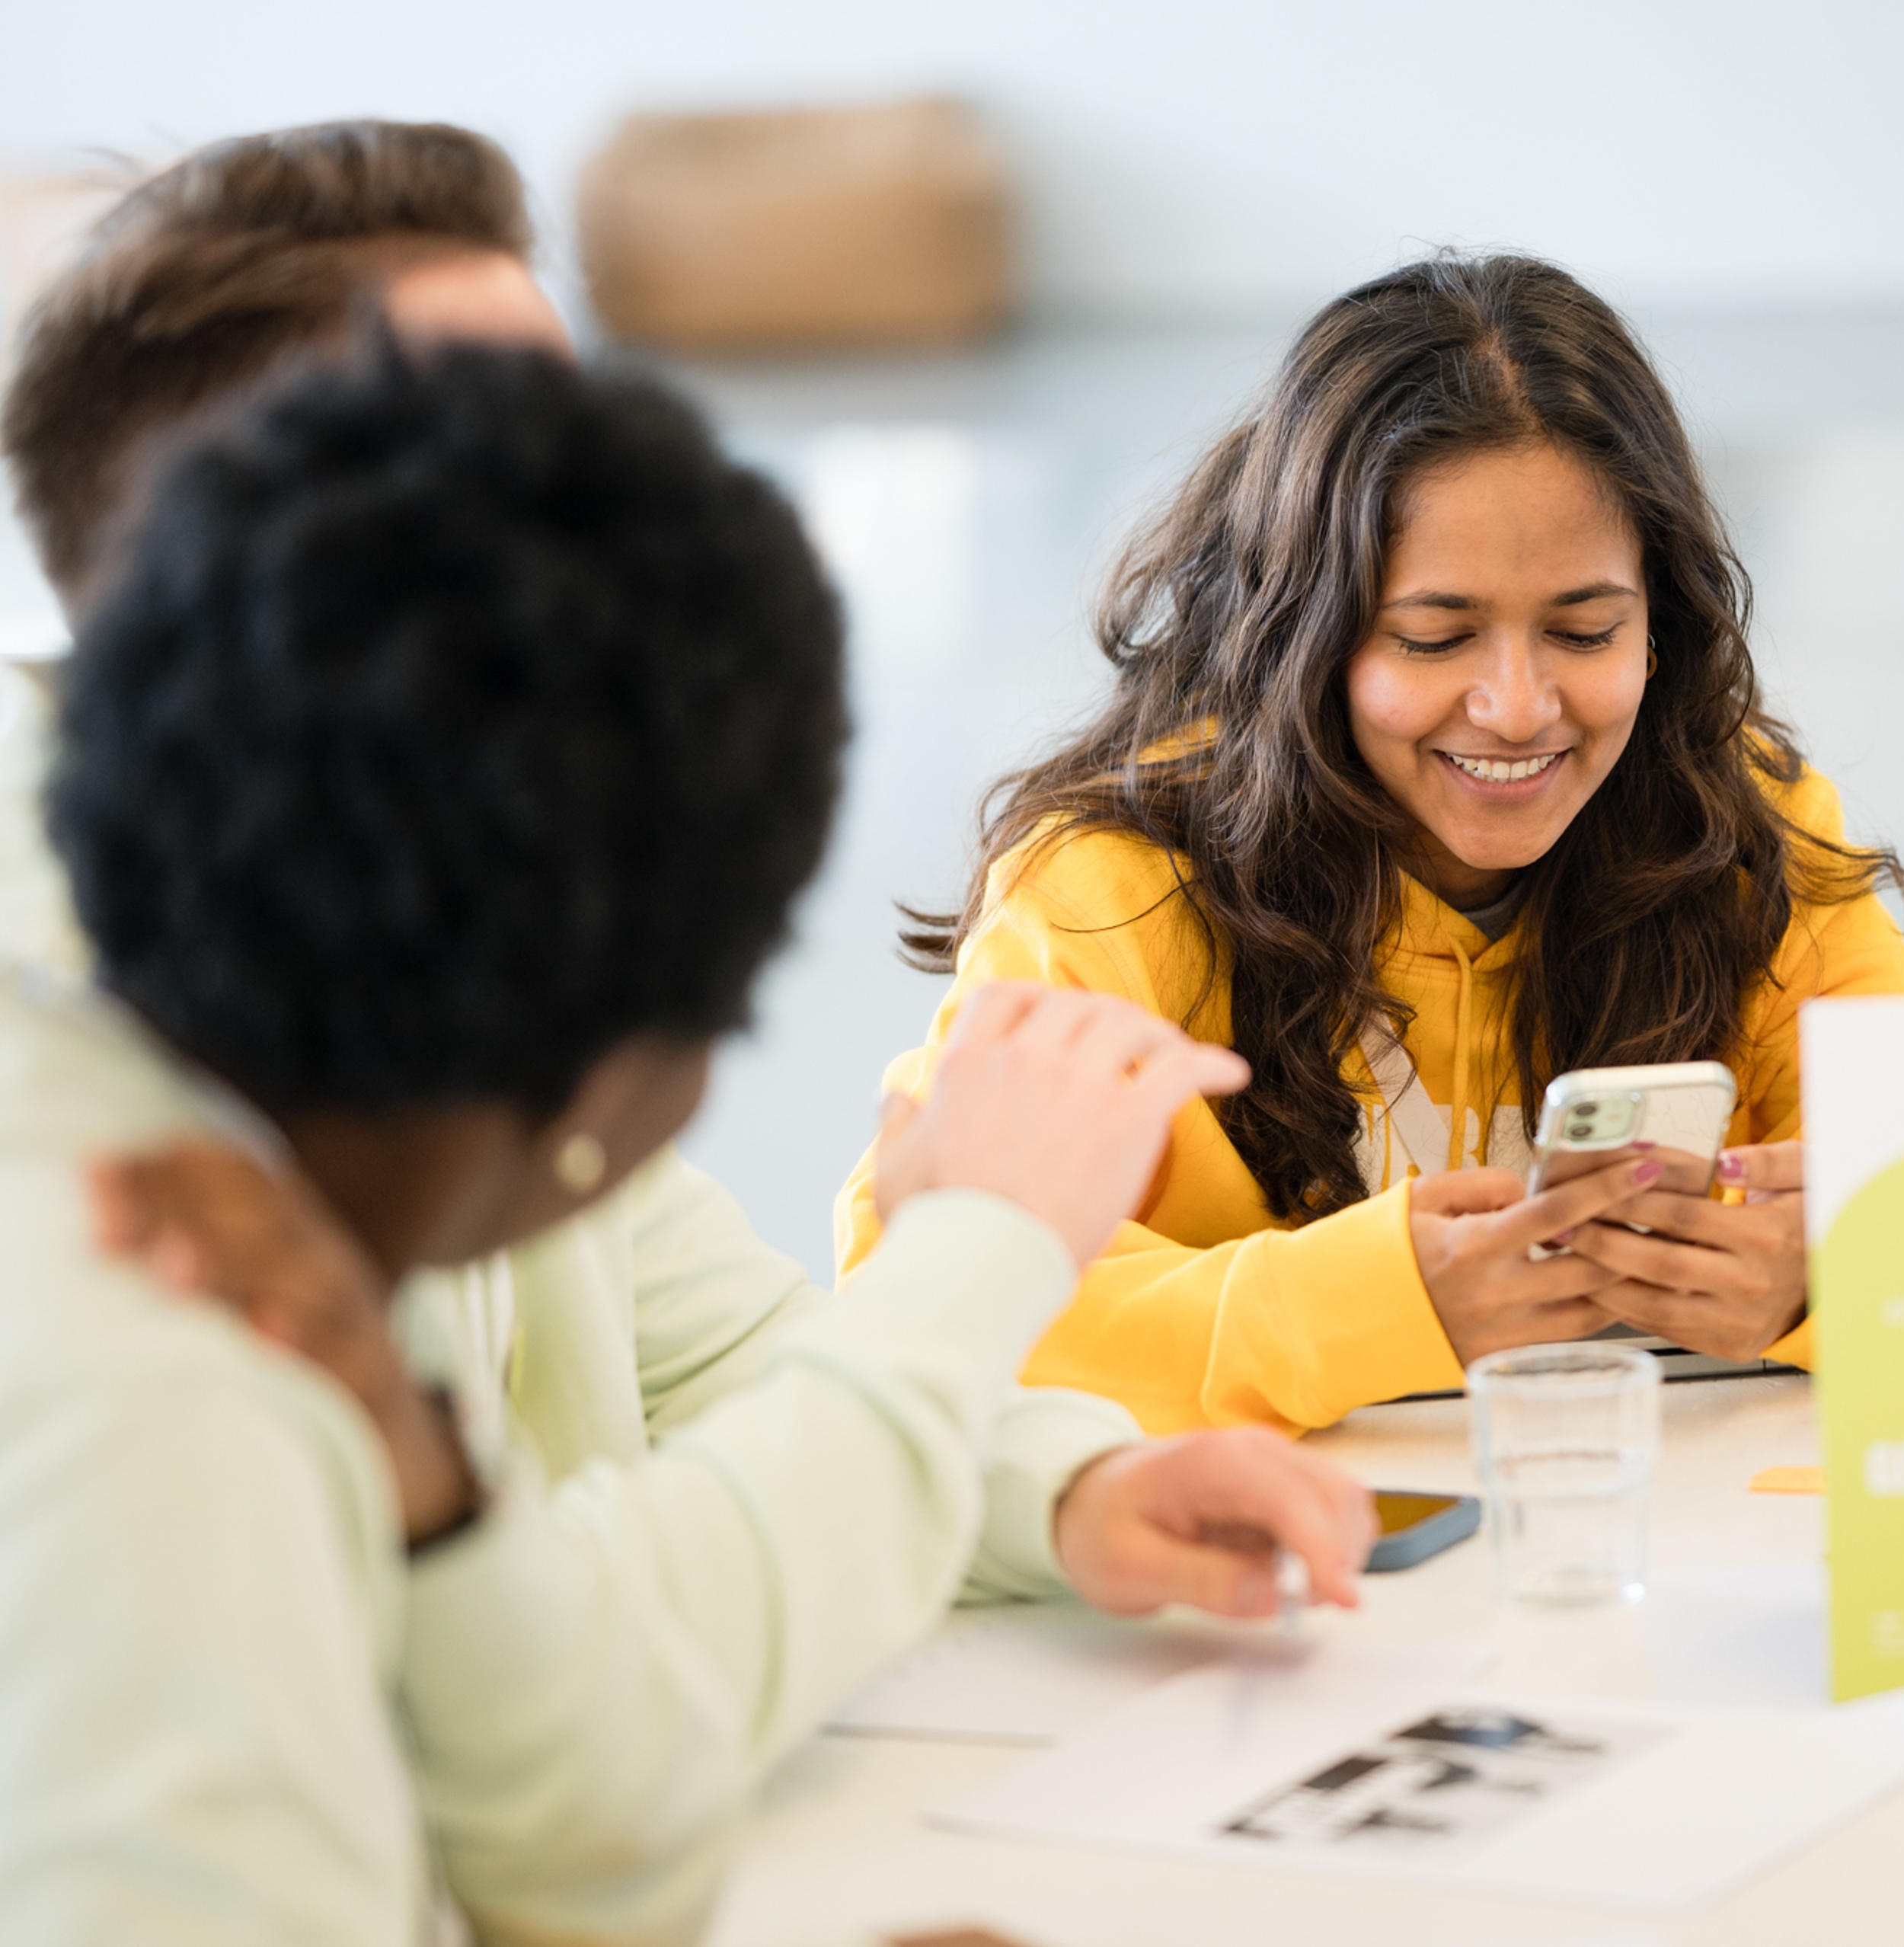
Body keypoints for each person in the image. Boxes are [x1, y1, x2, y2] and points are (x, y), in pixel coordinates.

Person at [0, 344, 1370, 1947]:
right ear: (620, 1052)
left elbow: (587, 1810)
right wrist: (978, 1250)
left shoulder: (216, 1164)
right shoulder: (158, 1382)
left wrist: (441, 1504)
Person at [837, 254, 1904, 1437]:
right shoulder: (1106, 892)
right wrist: (1380, 1303)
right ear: (1301, 637)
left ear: (1662, 627)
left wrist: (1827, 1275)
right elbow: (918, 1312)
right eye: (1431, 638)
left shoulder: (1745, 834)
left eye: (1585, 629)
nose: (1518, 706)